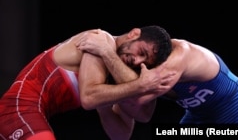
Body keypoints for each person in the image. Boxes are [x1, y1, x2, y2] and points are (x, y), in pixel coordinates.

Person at [0, 25, 172, 140]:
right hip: (17, 108)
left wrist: (104, 104)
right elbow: (89, 98)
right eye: (141, 51)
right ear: (134, 34)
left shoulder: (117, 69)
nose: (136, 60)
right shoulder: (101, 40)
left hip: (33, 114)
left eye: (144, 61)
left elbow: (122, 135)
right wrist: (141, 85)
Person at [76, 27, 238, 124]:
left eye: (144, 54)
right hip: (198, 116)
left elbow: (136, 99)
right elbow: (142, 115)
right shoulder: (143, 66)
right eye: (141, 53)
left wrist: (106, 52)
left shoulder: (181, 55)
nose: (137, 61)